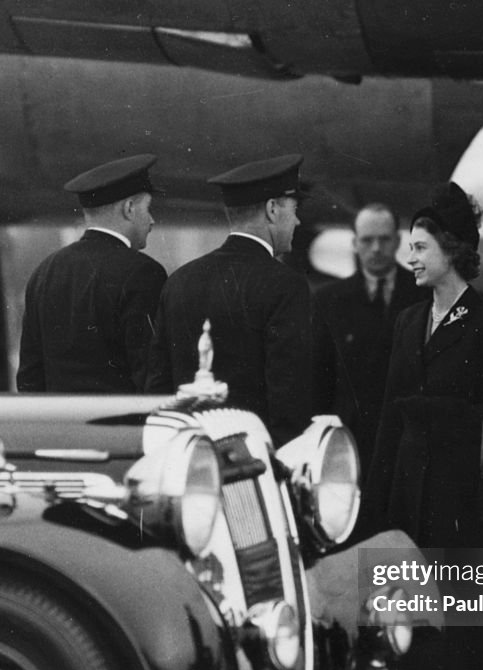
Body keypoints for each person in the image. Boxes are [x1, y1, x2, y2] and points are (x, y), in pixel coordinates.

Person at [365, 182, 483, 670]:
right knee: (421, 619)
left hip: (461, 492)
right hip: (410, 488)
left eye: (421, 247)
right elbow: (390, 414)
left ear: (451, 250)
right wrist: (375, 501)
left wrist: (438, 414)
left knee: (465, 620)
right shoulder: (406, 320)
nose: (411, 258)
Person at [145, 154, 312, 446]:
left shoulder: (180, 281)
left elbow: (158, 385)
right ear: (272, 209)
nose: (297, 220)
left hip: (187, 459)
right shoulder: (286, 285)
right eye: (294, 209)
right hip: (253, 465)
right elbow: (289, 394)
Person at [17, 154, 166, 393]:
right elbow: (153, 373)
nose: (152, 220)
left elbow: (29, 376)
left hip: (60, 428)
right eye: (148, 209)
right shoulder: (144, 272)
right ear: (129, 209)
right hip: (121, 427)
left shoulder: (44, 271)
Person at [311, 203, 427, 478]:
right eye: (367, 240)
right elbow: (318, 373)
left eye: (384, 239)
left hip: (405, 437)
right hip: (349, 438)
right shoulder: (329, 300)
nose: (376, 248)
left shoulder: (423, 294)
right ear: (354, 243)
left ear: (398, 241)